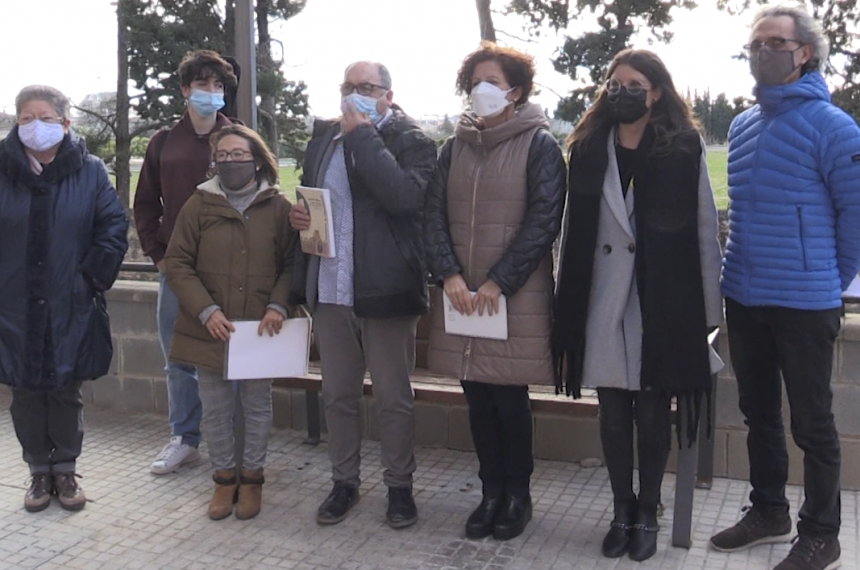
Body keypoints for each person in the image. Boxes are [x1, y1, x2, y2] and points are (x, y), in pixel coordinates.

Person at [708, 5, 860, 570]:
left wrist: (825, 279)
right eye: (755, 44)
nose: (762, 52)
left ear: (804, 51)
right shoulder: (741, 126)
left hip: (805, 301)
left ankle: (821, 534)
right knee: (758, 412)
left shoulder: (834, 127)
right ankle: (769, 510)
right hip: (745, 293)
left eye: (774, 43)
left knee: (812, 421)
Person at [553, 49, 723, 562]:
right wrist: (567, 298)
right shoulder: (587, 147)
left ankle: (649, 510)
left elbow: (704, 229)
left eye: (633, 83)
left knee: (652, 411)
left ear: (655, 92)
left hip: (661, 301)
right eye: (612, 82)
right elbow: (568, 228)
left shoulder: (684, 147)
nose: (620, 91)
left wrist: (708, 316)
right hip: (602, 296)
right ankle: (621, 508)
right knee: (610, 411)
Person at [0, 85, 129, 513]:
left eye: (46, 118)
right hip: (11, 305)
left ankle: (65, 471)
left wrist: (90, 279)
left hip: (70, 302)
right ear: (16, 123)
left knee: (66, 388)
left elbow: (112, 228)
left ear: (65, 124)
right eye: (27, 118)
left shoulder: (89, 171)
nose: (36, 126)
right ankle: (37, 472)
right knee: (25, 392)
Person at [424, 42, 566, 542]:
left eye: (491, 81)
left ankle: (517, 495)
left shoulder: (540, 145)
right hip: (461, 294)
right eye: (475, 81)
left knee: (509, 399)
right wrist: (449, 275)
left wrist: (498, 281)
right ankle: (489, 492)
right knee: (476, 396)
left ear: (516, 90)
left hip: (511, 296)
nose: (481, 90)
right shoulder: (454, 146)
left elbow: (543, 220)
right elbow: (433, 216)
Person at [289, 61, 438, 529]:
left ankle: (399, 487)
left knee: (394, 396)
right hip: (331, 288)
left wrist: (363, 136)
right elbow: (317, 202)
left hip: (386, 288)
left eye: (366, 87)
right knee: (338, 394)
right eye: (348, 86)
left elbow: (404, 199)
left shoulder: (413, 141)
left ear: (388, 95)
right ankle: (344, 481)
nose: (355, 93)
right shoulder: (323, 141)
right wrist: (302, 218)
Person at [164, 125, 297, 520]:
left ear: (257, 159)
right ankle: (223, 480)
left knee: (256, 407)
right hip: (210, 328)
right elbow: (178, 263)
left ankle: (253, 479)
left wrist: (278, 305)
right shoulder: (199, 205)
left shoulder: (279, 207)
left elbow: (291, 265)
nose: (231, 161)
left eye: (239, 154)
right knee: (216, 408)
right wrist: (206, 310)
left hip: (259, 328)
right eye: (223, 155)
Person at [133, 50, 238, 476]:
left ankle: (229, 440)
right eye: (202, 85)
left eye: (217, 86)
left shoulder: (239, 139)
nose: (210, 93)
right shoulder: (163, 143)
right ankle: (184, 437)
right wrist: (159, 257)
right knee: (177, 357)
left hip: (229, 269)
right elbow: (144, 205)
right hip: (176, 270)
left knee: (227, 355)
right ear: (184, 90)